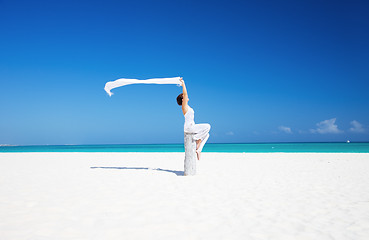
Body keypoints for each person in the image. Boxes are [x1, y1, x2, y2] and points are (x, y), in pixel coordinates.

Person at [177, 78, 211, 160]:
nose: (187, 97)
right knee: (208, 126)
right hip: (189, 127)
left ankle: (199, 149)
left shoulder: (188, 107)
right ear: (183, 100)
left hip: (192, 127)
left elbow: (185, 95)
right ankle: (197, 139)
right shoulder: (184, 107)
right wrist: (183, 84)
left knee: (207, 134)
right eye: (185, 97)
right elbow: (185, 94)